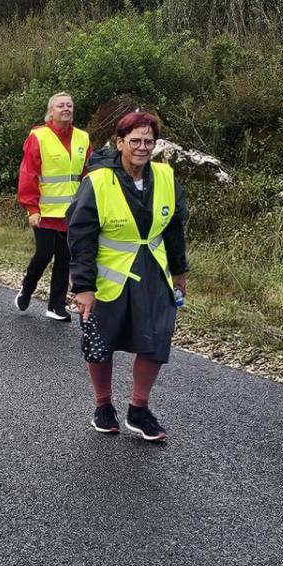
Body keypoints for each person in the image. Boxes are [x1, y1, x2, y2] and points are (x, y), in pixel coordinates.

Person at [67, 110, 189, 442]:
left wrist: (179, 272)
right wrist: (83, 287)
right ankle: (103, 406)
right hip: (109, 276)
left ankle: (139, 409)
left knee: (156, 337)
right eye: (134, 140)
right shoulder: (98, 182)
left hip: (153, 272)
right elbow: (80, 237)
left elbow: (175, 229)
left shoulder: (165, 177)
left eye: (148, 141)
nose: (142, 147)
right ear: (119, 142)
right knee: (100, 341)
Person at [17, 93, 89, 321]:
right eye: (61, 105)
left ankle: (56, 306)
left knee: (65, 259)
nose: (66, 108)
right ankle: (27, 288)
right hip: (45, 212)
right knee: (44, 254)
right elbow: (28, 173)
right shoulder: (39, 136)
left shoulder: (83, 138)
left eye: (69, 105)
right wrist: (32, 209)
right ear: (51, 111)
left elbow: (88, 174)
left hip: (72, 213)